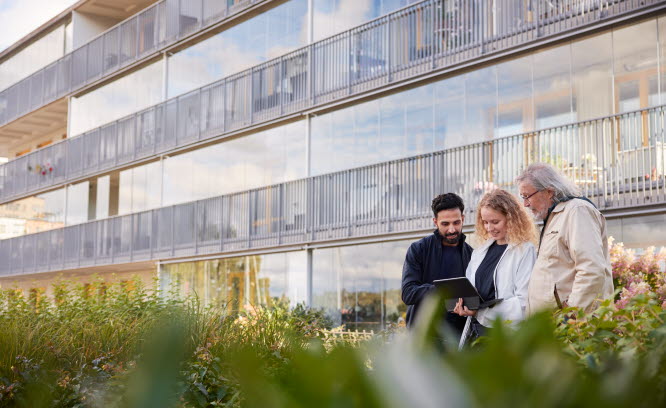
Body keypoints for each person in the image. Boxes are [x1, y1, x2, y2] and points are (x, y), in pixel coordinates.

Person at [515, 163, 613, 314]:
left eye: (527, 196)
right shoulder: (554, 216)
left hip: (571, 326)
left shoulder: (577, 211)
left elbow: (591, 268)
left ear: (549, 191)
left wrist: (572, 314)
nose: (525, 204)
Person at [452, 189, 537, 337]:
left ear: (511, 219)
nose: (489, 228)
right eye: (485, 222)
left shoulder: (524, 251)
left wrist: (481, 311)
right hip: (476, 333)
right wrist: (464, 304)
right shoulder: (480, 252)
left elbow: (523, 303)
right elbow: (471, 290)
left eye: (495, 222)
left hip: (507, 335)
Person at [401, 193, 473, 336]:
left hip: (458, 339)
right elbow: (408, 293)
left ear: (463, 219)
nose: (452, 229)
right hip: (424, 338)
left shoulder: (472, 255)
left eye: (456, 222)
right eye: (445, 224)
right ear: (435, 222)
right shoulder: (418, 249)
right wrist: (446, 290)